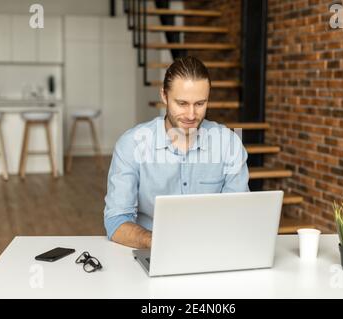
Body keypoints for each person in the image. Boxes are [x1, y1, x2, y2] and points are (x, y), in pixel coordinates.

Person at [104, 56, 249, 249]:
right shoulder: (131, 145)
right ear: (164, 96)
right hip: (152, 250)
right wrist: (159, 242)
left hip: (213, 249)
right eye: (182, 103)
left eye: (200, 104)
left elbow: (238, 214)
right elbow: (116, 222)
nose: (191, 115)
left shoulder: (229, 144)